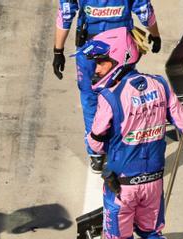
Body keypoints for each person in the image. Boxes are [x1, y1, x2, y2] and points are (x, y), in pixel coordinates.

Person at [82, 28, 183, 239]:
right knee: (152, 234)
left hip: (121, 188)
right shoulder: (160, 85)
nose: (97, 69)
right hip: (154, 183)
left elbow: (95, 143)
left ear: (120, 58)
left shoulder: (109, 97)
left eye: (102, 62)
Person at [52, 0, 161, 172]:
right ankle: (125, 143)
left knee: (90, 97)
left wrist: (58, 51)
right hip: (121, 48)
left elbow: (65, 13)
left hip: (89, 48)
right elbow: (144, 11)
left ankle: (96, 153)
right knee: (124, 94)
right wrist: (155, 35)